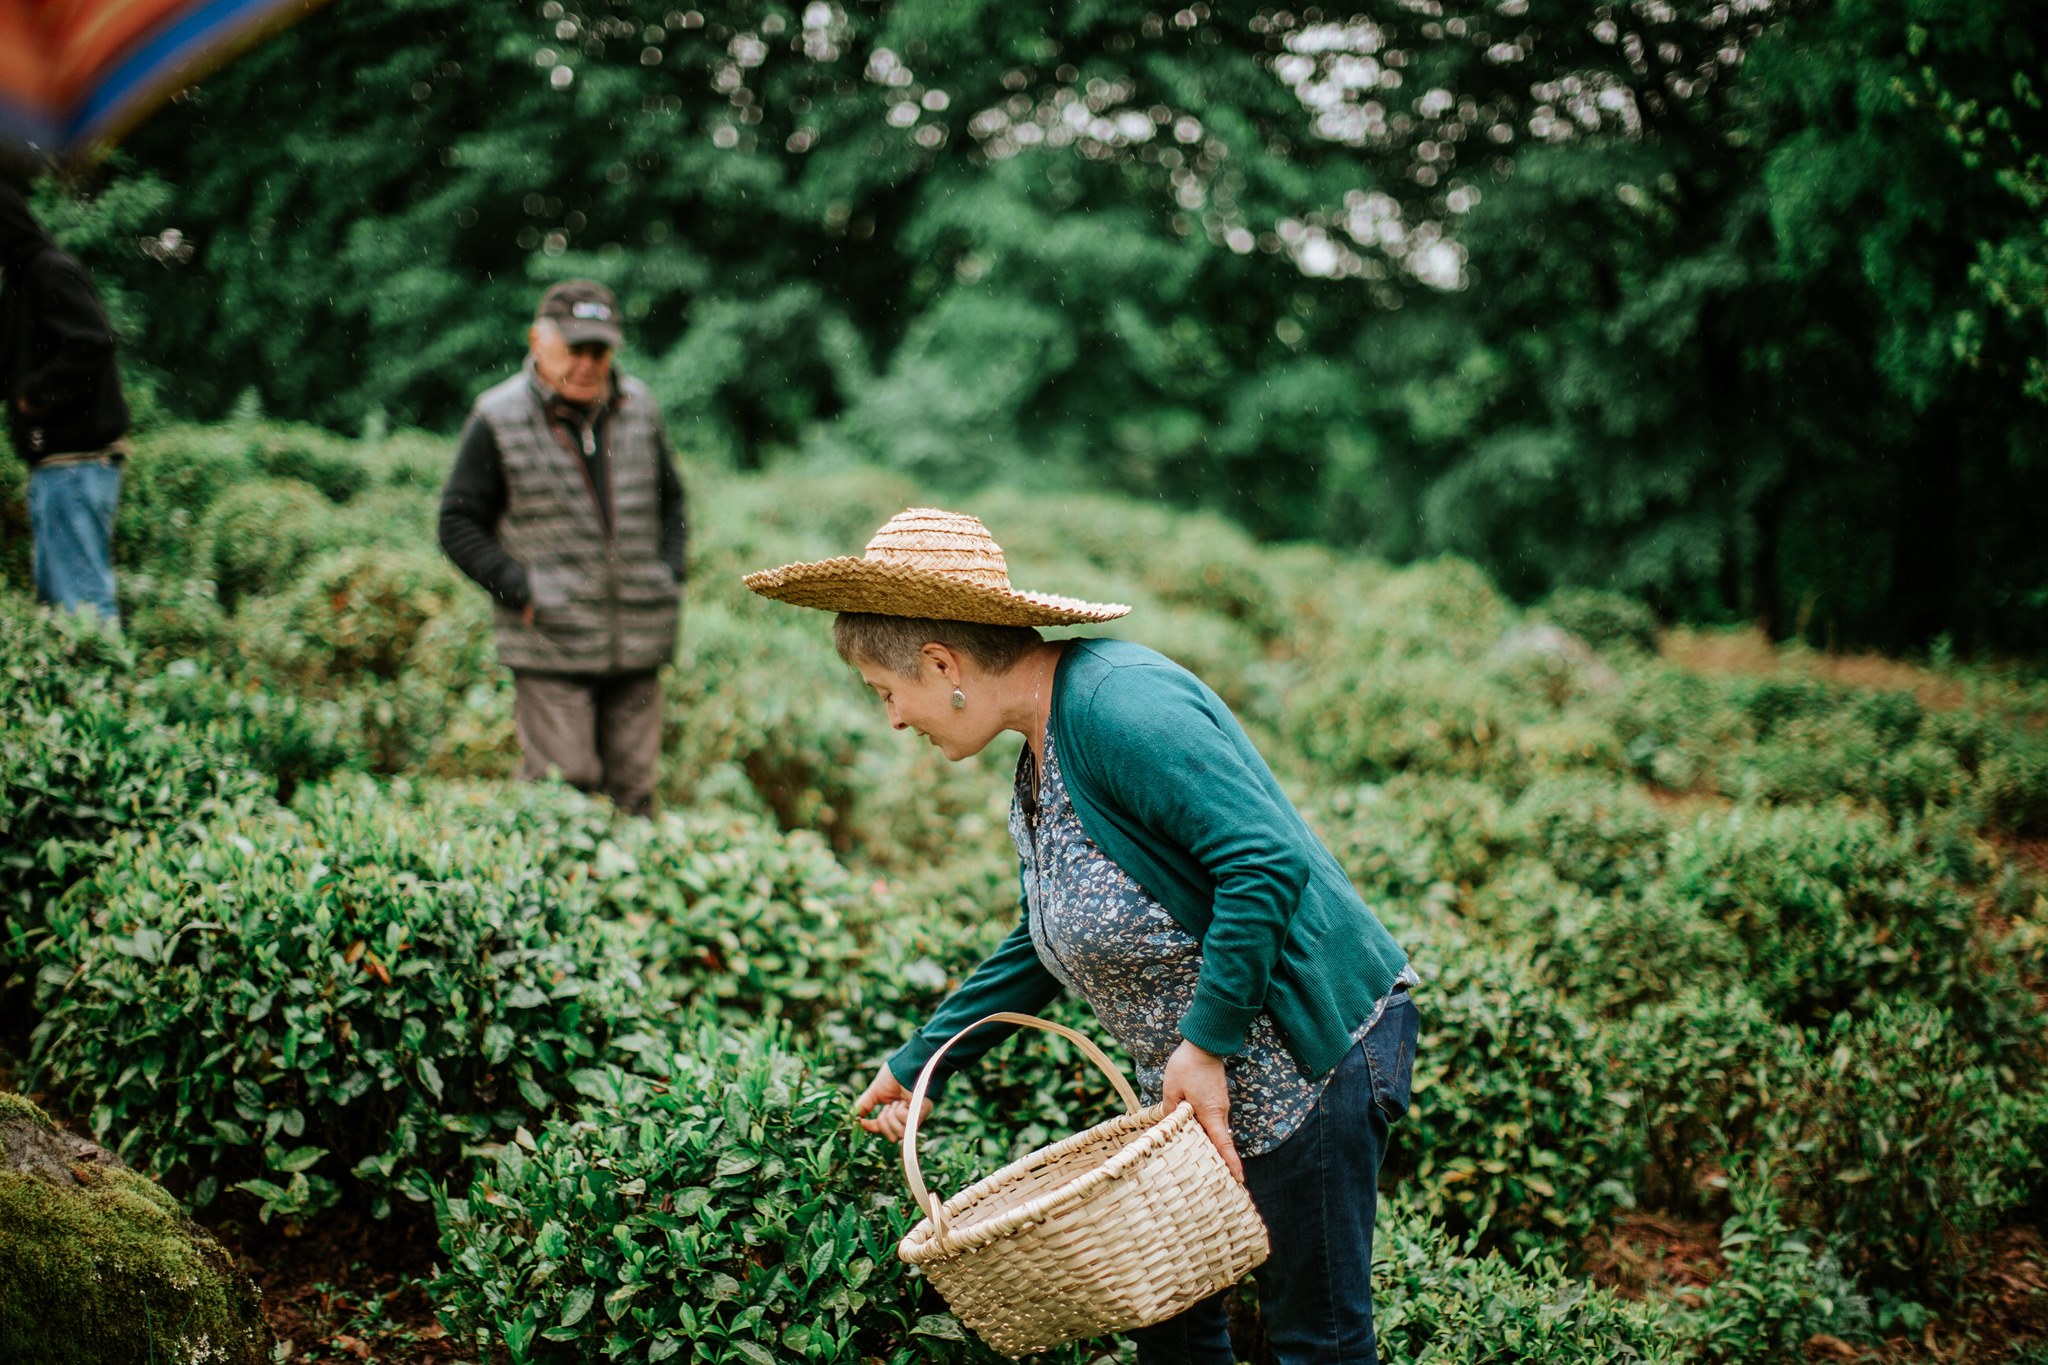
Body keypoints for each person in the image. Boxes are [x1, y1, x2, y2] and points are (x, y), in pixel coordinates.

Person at [743, 508, 1420, 1364]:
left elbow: (1265, 862)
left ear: (942, 664)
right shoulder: (1039, 749)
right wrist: (920, 1064)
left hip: (1303, 1059)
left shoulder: (1113, 706)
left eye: (888, 693)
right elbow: (1044, 938)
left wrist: (1205, 1044)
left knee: (1315, 1341)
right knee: (1170, 1324)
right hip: (1196, 1090)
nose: (894, 721)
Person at [438, 279, 687, 816]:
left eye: (600, 349)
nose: (589, 363)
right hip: (551, 638)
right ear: (537, 340)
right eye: (575, 348)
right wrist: (523, 591)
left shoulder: (640, 406)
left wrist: (669, 575)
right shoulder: (497, 417)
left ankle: (631, 896)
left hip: (639, 634)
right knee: (562, 788)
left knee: (635, 790)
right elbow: (456, 523)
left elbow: (674, 504)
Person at [0, 179, 132, 624]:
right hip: (57, 465)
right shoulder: (21, 281)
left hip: (75, 463)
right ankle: (96, 690)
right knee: (62, 605)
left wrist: (34, 399)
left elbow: (92, 343)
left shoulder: (47, 271)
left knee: (83, 605)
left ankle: (109, 691)